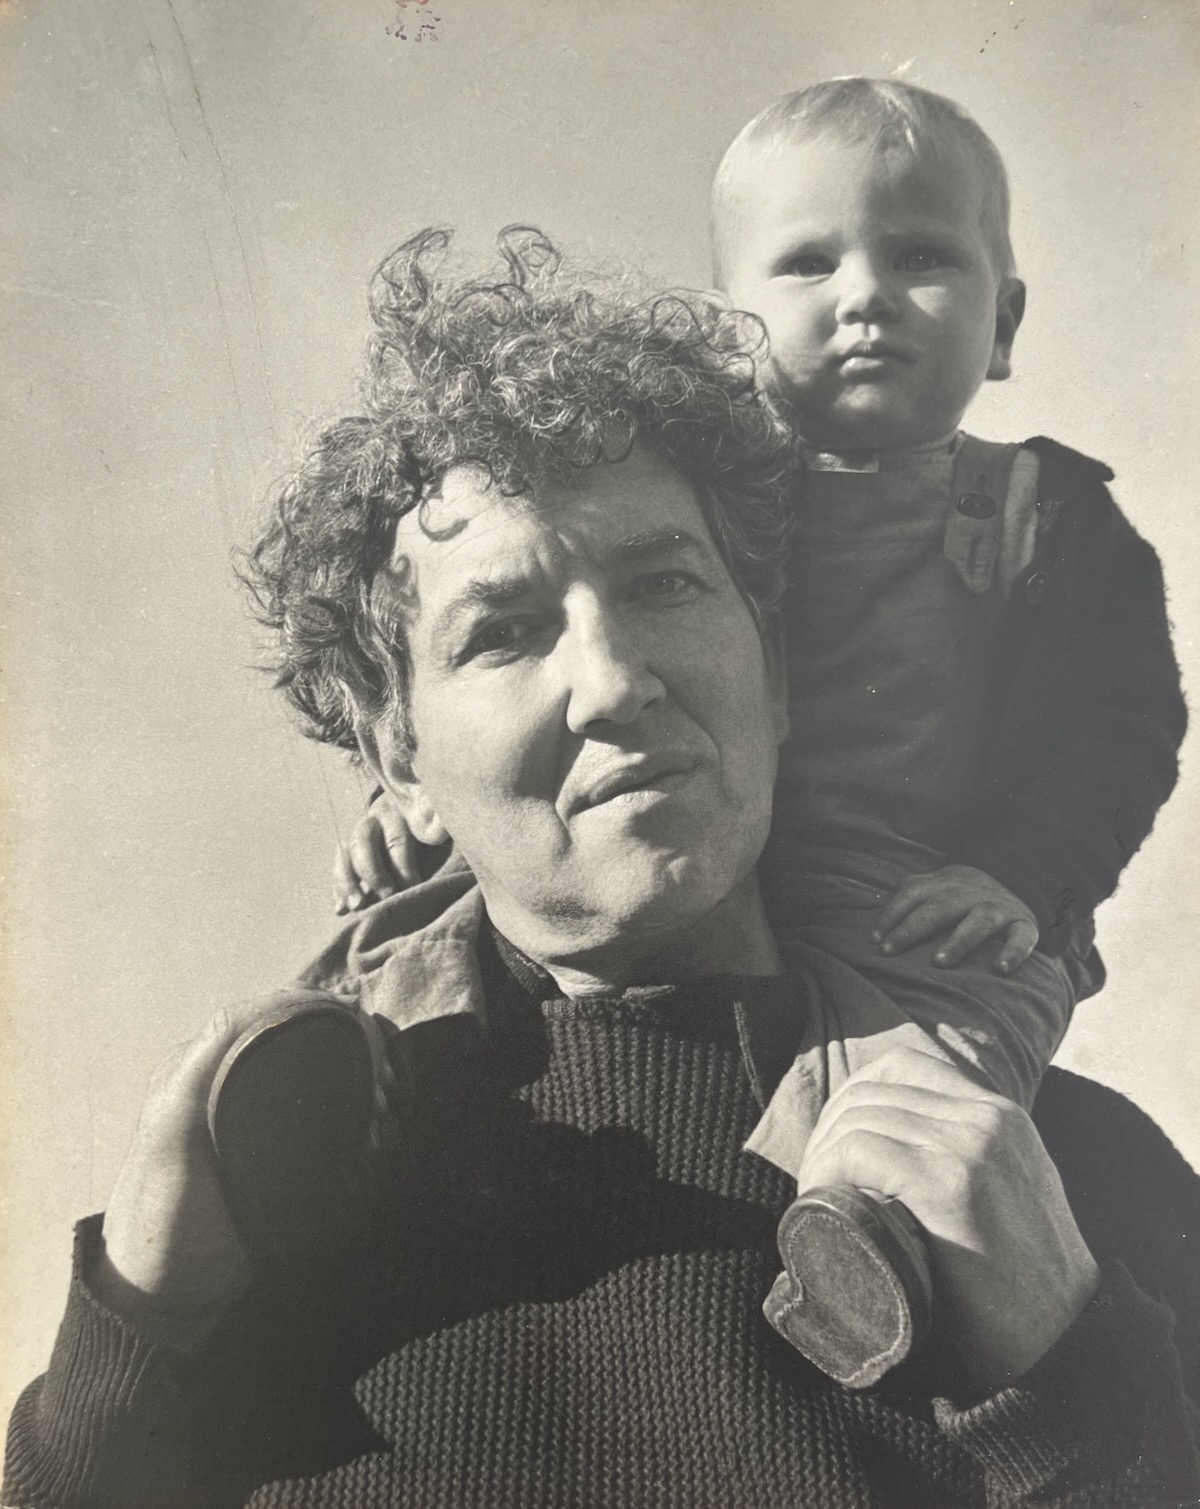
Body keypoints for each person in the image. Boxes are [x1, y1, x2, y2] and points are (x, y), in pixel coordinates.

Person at [4, 229, 1198, 1508]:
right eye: (505, 633)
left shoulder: (1057, 1175)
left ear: (778, 671)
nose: (618, 682)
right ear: (396, 753)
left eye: (669, 582)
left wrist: (1069, 1382)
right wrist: (136, 1324)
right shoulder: (273, 1211)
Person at [335, 78, 1186, 1174]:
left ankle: (857, 1229)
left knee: (942, 1066)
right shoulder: (699, 501)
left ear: (1006, 321)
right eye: (809, 263)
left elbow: (1119, 729)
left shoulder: (1043, 514)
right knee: (415, 941)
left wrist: (1021, 876)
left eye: (922, 257)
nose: (866, 296)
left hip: (918, 889)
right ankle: (334, 1106)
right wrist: (396, 798)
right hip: (709, 861)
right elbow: (490, 637)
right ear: (730, 329)